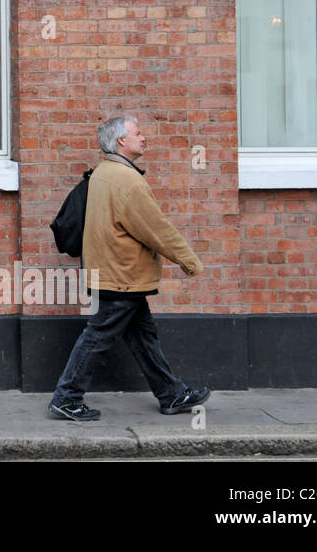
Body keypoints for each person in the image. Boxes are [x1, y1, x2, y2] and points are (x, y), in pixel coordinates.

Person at [48, 115, 209, 421]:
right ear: (122, 140)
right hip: (121, 275)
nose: (143, 137)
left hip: (112, 272)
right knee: (97, 337)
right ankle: (66, 397)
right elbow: (156, 229)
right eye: (138, 133)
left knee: (143, 338)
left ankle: (171, 394)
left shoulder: (103, 173)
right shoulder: (127, 180)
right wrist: (190, 261)